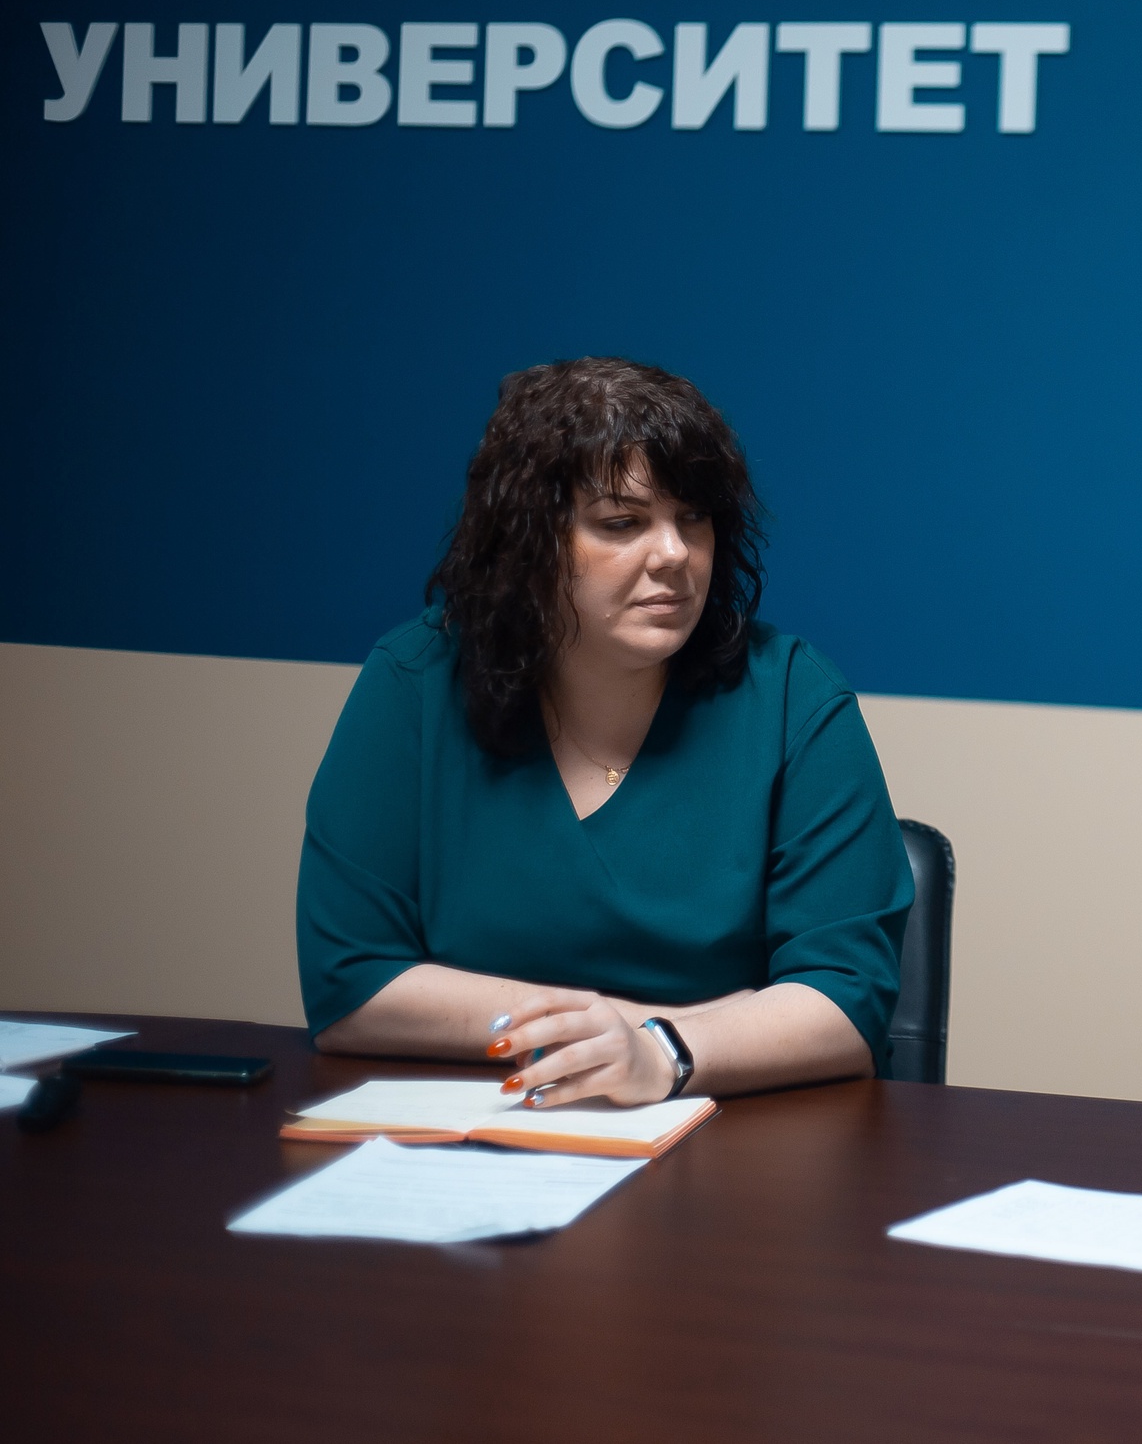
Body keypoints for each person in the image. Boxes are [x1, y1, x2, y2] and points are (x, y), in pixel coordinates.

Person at [297, 357, 911, 1107]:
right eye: (622, 522)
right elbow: (352, 986)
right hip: (475, 1126)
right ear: (527, 541)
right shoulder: (415, 680)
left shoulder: (793, 694)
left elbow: (847, 1002)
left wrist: (662, 1053)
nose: (675, 554)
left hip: (727, 1129)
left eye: (694, 517)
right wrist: (630, 1026)